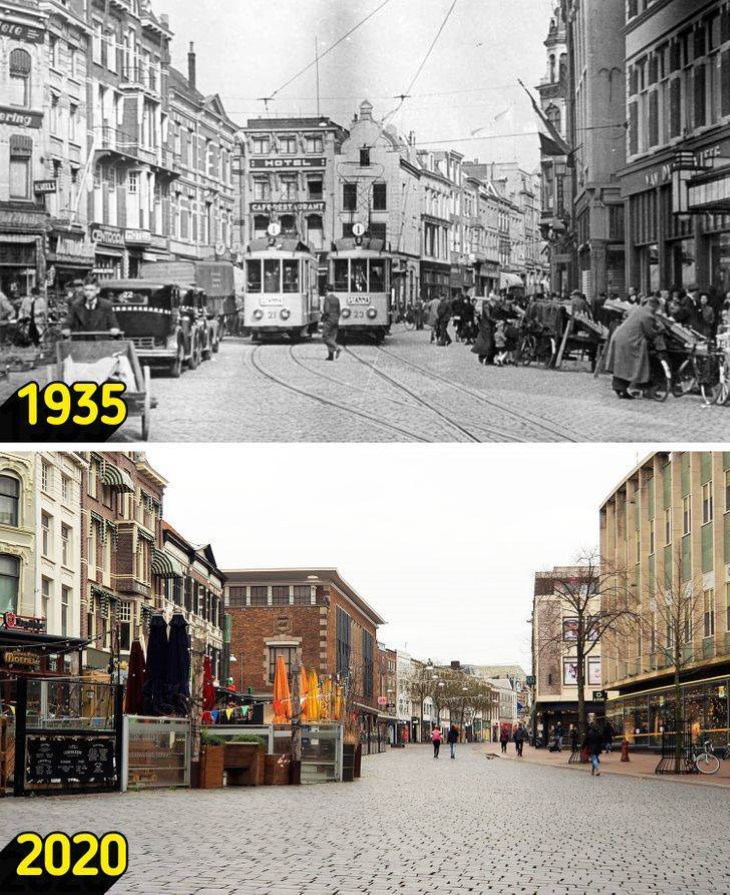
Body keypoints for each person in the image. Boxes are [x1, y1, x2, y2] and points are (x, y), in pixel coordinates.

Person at [605, 296, 665, 398]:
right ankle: (623, 389)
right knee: (630, 364)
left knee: (622, 364)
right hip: (629, 341)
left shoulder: (639, 309)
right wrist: (660, 330)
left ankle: (619, 387)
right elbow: (649, 333)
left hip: (620, 337)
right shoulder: (648, 315)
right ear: (656, 306)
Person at [320, 284, 341, 361]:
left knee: (325, 337)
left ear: (326, 290)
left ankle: (337, 348)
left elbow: (327, 311)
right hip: (336, 320)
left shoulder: (327, 298)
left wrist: (323, 317)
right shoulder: (336, 299)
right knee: (332, 337)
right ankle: (330, 356)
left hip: (329, 320)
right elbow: (339, 311)